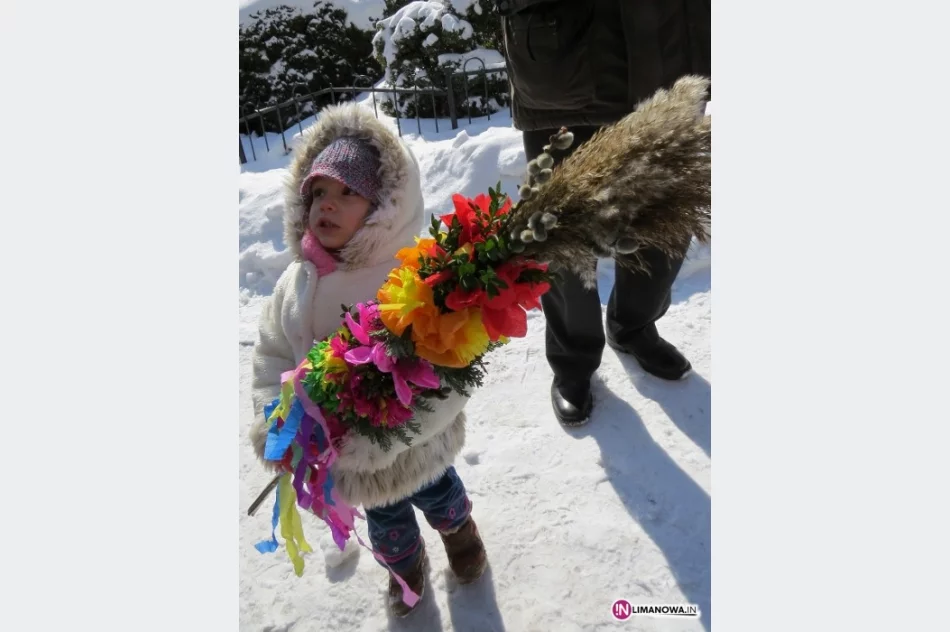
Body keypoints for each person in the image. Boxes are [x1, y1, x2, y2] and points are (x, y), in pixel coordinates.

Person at [248, 102, 487, 617]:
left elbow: (451, 374)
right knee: (387, 524)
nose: (326, 206)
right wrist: (276, 418)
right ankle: (405, 569)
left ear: (381, 207)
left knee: (440, 497)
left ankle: (461, 535)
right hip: (342, 459)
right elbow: (271, 348)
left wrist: (383, 442)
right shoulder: (298, 278)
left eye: (346, 192)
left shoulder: (408, 276)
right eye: (318, 193)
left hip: (413, 446)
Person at [495, 0, 711, 425]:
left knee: (666, 221)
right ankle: (572, 358)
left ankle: (634, 326)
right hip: (563, 57)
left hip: (673, 47)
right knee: (559, 230)